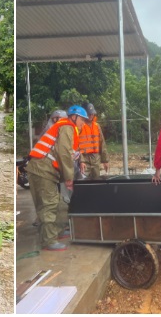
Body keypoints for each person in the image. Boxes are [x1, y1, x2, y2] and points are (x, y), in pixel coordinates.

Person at [25, 105, 87, 252]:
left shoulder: (65, 127)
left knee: (56, 201)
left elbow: (69, 153)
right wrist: (69, 178)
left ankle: (57, 232)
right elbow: (64, 153)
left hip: (43, 168)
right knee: (50, 203)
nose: (82, 123)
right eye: (82, 119)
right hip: (43, 169)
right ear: (74, 117)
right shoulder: (67, 127)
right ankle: (49, 241)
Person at [77, 103, 109, 179]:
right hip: (84, 158)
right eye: (89, 113)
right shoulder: (79, 126)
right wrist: (81, 161)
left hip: (96, 159)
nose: (91, 115)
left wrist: (105, 160)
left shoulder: (96, 126)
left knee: (96, 182)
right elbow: (75, 145)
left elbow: (102, 143)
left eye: (92, 113)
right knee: (83, 182)